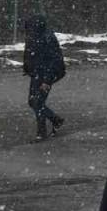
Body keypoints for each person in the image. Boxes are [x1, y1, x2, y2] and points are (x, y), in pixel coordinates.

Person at [23, 13, 67, 142]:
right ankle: (56, 120)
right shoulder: (33, 36)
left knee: (37, 102)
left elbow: (53, 60)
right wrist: (28, 68)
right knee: (33, 101)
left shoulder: (47, 38)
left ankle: (41, 133)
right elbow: (30, 55)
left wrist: (47, 80)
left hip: (47, 74)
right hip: (37, 73)